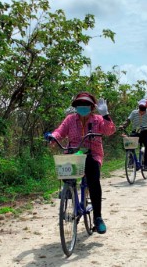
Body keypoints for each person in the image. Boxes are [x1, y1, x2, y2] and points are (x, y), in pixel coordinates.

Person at [47, 92, 116, 234]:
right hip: (74, 152)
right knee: (65, 169)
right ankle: (69, 191)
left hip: (93, 154)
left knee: (94, 181)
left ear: (92, 107)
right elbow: (60, 131)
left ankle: (98, 217)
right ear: (76, 107)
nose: (83, 107)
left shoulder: (97, 120)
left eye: (86, 105)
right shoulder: (70, 120)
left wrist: (106, 115)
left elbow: (110, 131)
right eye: (80, 105)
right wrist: (53, 137)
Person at [118, 98, 147, 170]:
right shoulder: (134, 112)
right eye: (140, 107)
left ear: (146, 107)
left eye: (143, 108)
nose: (141, 110)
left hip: (146, 132)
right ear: (139, 106)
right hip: (136, 132)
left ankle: (146, 165)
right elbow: (128, 120)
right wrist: (123, 126)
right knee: (128, 143)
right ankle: (131, 159)